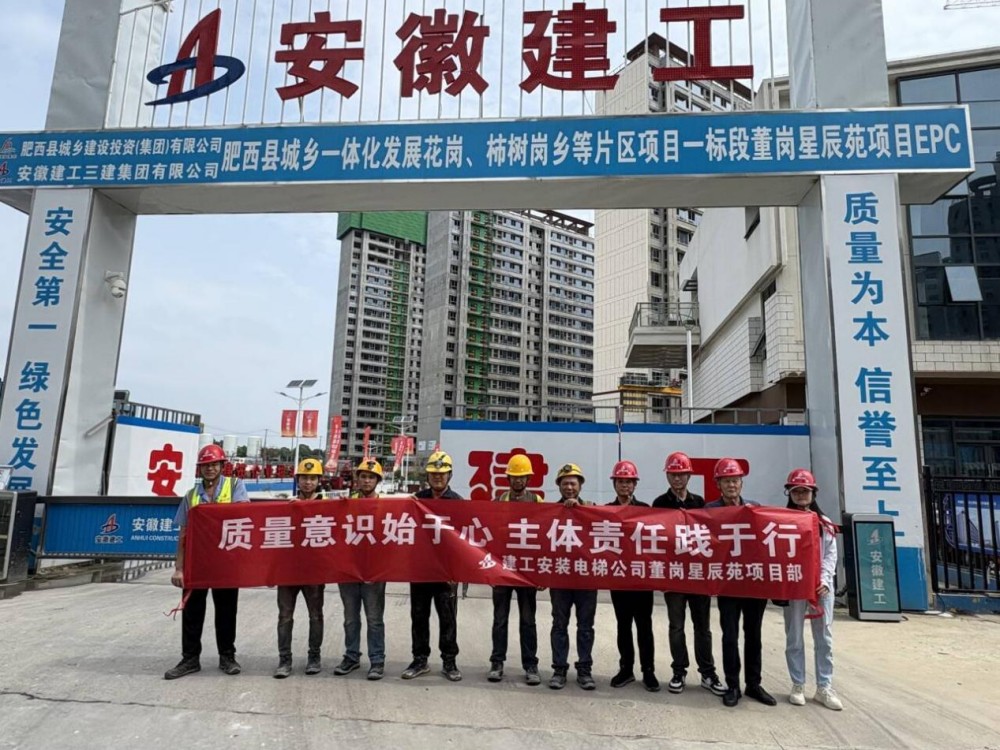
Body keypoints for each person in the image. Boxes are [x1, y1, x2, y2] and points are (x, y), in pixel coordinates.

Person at [164, 444, 249, 680]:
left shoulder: (235, 486)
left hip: (225, 562)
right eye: (205, 465)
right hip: (197, 562)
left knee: (226, 611)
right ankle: (190, 659)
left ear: (222, 466)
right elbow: (183, 533)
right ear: (199, 469)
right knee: (192, 611)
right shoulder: (191, 495)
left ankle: (227, 657)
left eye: (214, 464)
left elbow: (244, 516)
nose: (210, 469)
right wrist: (179, 568)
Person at [651, 451, 726, 697]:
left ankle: (708, 673)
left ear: (689, 476)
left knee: (702, 627)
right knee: (676, 626)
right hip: (673, 576)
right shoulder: (659, 504)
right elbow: (655, 540)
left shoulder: (699, 503)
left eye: (681, 474)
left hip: (697, 575)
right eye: (673, 474)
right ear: (667, 476)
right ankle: (679, 671)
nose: (677, 479)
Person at [705, 458, 776, 708]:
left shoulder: (755, 509)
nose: (731, 485)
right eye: (726, 481)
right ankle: (732, 685)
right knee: (730, 636)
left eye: (735, 480)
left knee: (753, 635)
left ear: (741, 483)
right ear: (718, 484)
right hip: (728, 584)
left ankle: (753, 684)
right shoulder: (710, 511)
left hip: (753, 583)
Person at [782, 468, 843, 711]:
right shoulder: (781, 521)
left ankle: (824, 686)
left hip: (820, 589)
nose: (800, 495)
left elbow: (830, 555)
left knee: (824, 637)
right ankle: (797, 684)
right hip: (794, 586)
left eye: (805, 491)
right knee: (794, 636)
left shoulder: (824, 523)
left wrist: (824, 580)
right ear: (789, 493)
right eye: (796, 491)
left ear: (813, 493)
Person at [403, 450, 464, 682]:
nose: (438, 477)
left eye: (442, 473)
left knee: (448, 619)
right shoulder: (416, 501)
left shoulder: (458, 503)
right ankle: (420, 659)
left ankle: (449, 661)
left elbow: (463, 542)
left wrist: (456, 570)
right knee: (419, 617)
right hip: (420, 570)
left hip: (446, 573)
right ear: (427, 476)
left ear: (450, 475)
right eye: (433, 473)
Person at [488, 454, 542, 686]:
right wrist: (490, 570)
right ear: (508, 478)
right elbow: (490, 536)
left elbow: (544, 537)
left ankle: (530, 665)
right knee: (500, 619)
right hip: (503, 569)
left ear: (528, 479)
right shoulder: (499, 501)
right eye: (514, 477)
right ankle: (497, 663)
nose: (518, 480)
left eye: (522, 477)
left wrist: (540, 573)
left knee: (528, 620)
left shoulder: (537, 502)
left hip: (526, 571)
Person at [606, 460, 659, 692]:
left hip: (642, 578)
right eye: (620, 481)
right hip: (619, 578)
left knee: (644, 626)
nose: (625, 486)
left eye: (629, 482)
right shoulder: (606, 510)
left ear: (635, 485)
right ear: (614, 484)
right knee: (623, 625)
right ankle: (626, 668)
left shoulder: (646, 510)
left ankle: (648, 671)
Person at [273, 458, 327, 679]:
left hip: (314, 571)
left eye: (312, 478)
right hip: (288, 570)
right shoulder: (287, 505)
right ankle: (284, 659)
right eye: (304, 478)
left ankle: (314, 657)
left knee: (315, 615)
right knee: (285, 616)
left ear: (319, 481)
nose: (308, 482)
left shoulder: (328, 506)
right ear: (298, 479)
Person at [334, 457, 387, 681]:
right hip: (348, 570)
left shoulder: (387, 507)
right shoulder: (345, 503)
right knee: (350, 618)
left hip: (374, 572)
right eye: (363, 476)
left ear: (378, 481)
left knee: (374, 618)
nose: (367, 481)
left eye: (371, 477)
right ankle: (351, 656)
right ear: (357, 479)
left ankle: (377, 660)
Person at [548, 463, 598, 691]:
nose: (569, 487)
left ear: (580, 486)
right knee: (559, 625)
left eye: (573, 483)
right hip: (560, 578)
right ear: (559, 486)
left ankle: (584, 670)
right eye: (565, 483)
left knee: (585, 626)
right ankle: (559, 669)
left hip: (586, 579)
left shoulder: (592, 508)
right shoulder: (550, 512)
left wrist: (581, 509)